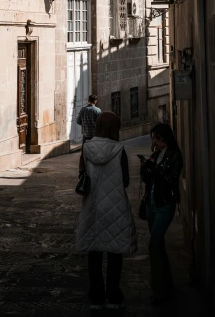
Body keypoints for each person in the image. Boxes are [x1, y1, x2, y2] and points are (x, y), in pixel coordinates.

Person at [75, 111, 137, 310]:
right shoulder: (119, 150)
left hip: (92, 205)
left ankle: (95, 296)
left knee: (94, 253)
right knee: (114, 252)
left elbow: (81, 176)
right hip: (115, 206)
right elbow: (125, 181)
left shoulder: (86, 148)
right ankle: (113, 296)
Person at [140, 123, 183, 306]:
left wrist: (154, 169)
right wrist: (145, 168)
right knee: (159, 247)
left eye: (157, 138)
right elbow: (148, 178)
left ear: (165, 138)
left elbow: (170, 179)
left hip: (165, 204)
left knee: (154, 244)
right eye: (153, 138)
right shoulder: (156, 154)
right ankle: (166, 285)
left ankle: (159, 290)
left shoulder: (175, 155)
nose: (154, 142)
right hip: (151, 203)